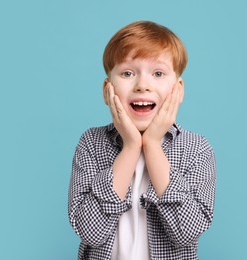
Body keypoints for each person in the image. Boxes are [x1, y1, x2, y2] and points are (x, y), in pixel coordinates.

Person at [68, 20, 216, 260]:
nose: (142, 86)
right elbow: (90, 232)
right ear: (108, 90)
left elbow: (186, 233)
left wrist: (153, 146)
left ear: (178, 90)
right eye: (127, 73)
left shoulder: (196, 148)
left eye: (158, 73)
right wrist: (131, 147)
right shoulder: (91, 143)